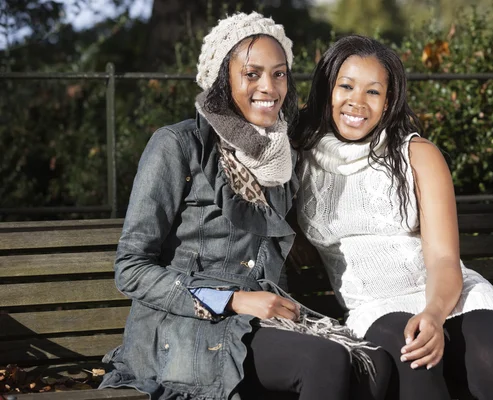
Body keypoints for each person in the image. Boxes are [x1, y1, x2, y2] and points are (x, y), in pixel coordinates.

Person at [99, 15, 389, 400]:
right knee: (324, 361)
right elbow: (131, 269)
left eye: (279, 74)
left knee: (375, 363)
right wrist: (232, 300)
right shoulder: (178, 145)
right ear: (224, 78)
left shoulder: (281, 154)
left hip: (257, 322)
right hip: (188, 327)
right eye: (251, 74)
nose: (269, 88)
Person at [293, 35, 493, 400]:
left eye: (373, 92)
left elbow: (443, 258)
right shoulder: (298, 157)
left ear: (389, 101)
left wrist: (434, 313)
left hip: (450, 296)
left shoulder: (417, 154)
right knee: (412, 355)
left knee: (491, 359)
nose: (357, 102)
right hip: (376, 306)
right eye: (345, 86)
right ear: (326, 89)